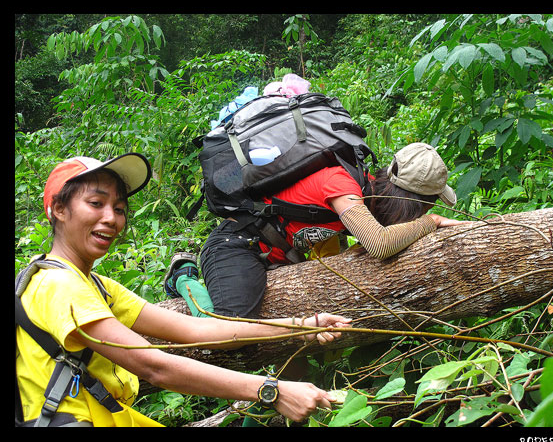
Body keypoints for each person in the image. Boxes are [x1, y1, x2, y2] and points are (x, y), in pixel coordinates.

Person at [15, 153, 351, 427]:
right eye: (96, 203)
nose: (111, 218)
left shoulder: (94, 284)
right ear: (59, 209)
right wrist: (270, 390)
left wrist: (300, 327)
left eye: (118, 209)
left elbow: (199, 329)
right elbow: (153, 367)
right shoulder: (59, 285)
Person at [168, 142, 466, 320]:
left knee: (294, 365)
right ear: (411, 203)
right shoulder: (342, 185)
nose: (423, 215)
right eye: (424, 209)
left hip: (277, 257)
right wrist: (433, 223)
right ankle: (184, 274)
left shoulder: (364, 194)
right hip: (236, 246)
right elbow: (379, 244)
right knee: (224, 327)